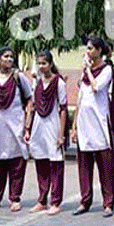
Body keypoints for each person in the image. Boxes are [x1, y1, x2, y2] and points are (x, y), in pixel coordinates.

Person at [72, 38, 114, 217]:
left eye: (91, 48)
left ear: (99, 51)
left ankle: (108, 203)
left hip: (100, 123)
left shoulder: (106, 70)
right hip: (84, 124)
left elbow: (96, 88)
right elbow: (80, 100)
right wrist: (74, 126)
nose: (87, 51)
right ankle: (85, 200)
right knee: (84, 165)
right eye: (87, 48)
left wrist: (87, 70)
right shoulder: (85, 74)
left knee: (105, 165)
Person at [0, 47, 33, 212]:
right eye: (6, 56)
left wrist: (27, 126)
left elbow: (30, 100)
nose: (9, 59)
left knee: (16, 162)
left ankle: (15, 198)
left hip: (15, 125)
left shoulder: (19, 78)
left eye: (11, 57)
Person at [24, 51, 67, 216]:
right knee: (41, 161)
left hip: (53, 124)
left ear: (50, 64)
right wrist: (28, 128)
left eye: (44, 63)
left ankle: (56, 201)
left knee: (55, 163)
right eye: (39, 63)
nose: (42, 67)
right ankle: (42, 199)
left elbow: (63, 109)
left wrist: (61, 134)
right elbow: (33, 106)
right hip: (39, 125)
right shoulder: (37, 83)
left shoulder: (59, 83)